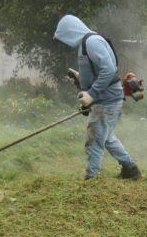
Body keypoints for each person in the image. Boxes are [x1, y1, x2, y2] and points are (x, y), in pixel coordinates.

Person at [53, 14, 142, 180]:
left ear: (70, 31)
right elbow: (97, 73)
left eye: (64, 37)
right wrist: (80, 79)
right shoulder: (84, 45)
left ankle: (92, 178)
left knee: (95, 138)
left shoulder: (91, 42)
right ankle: (131, 169)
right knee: (106, 137)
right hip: (106, 99)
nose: (64, 42)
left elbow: (108, 70)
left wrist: (91, 94)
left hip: (107, 100)